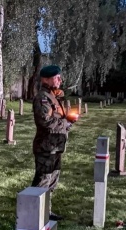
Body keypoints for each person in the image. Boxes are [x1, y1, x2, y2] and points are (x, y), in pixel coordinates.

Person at [31, 65, 78, 221]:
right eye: (56, 77)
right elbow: (45, 121)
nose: (60, 80)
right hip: (46, 147)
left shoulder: (54, 97)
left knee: (52, 181)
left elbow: (58, 120)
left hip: (56, 146)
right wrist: (65, 123)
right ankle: (34, 214)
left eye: (59, 77)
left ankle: (46, 212)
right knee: (42, 181)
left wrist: (69, 122)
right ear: (46, 79)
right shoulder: (43, 97)